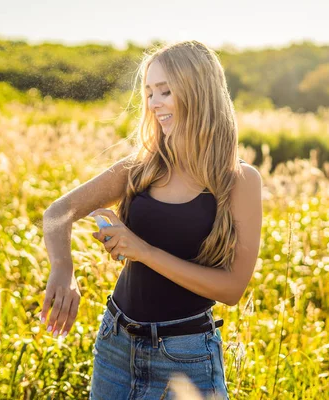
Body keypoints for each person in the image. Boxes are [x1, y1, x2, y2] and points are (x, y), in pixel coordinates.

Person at [40, 40, 263, 400]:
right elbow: (57, 213)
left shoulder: (238, 181)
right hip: (115, 346)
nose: (154, 103)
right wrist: (63, 270)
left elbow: (232, 289)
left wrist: (142, 250)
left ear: (198, 92)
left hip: (187, 358)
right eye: (148, 92)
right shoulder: (140, 168)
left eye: (165, 91)